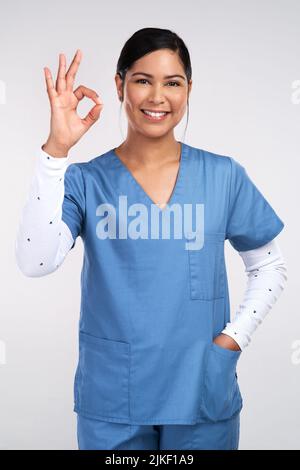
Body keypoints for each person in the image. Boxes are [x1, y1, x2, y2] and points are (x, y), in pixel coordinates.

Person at [15, 27, 287, 450]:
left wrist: (234, 338)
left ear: (188, 90)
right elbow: (36, 262)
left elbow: (268, 265)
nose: (158, 97)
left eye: (172, 83)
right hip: (113, 397)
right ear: (120, 84)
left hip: (201, 388)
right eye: (143, 80)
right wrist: (56, 152)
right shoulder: (85, 181)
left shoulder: (223, 176)